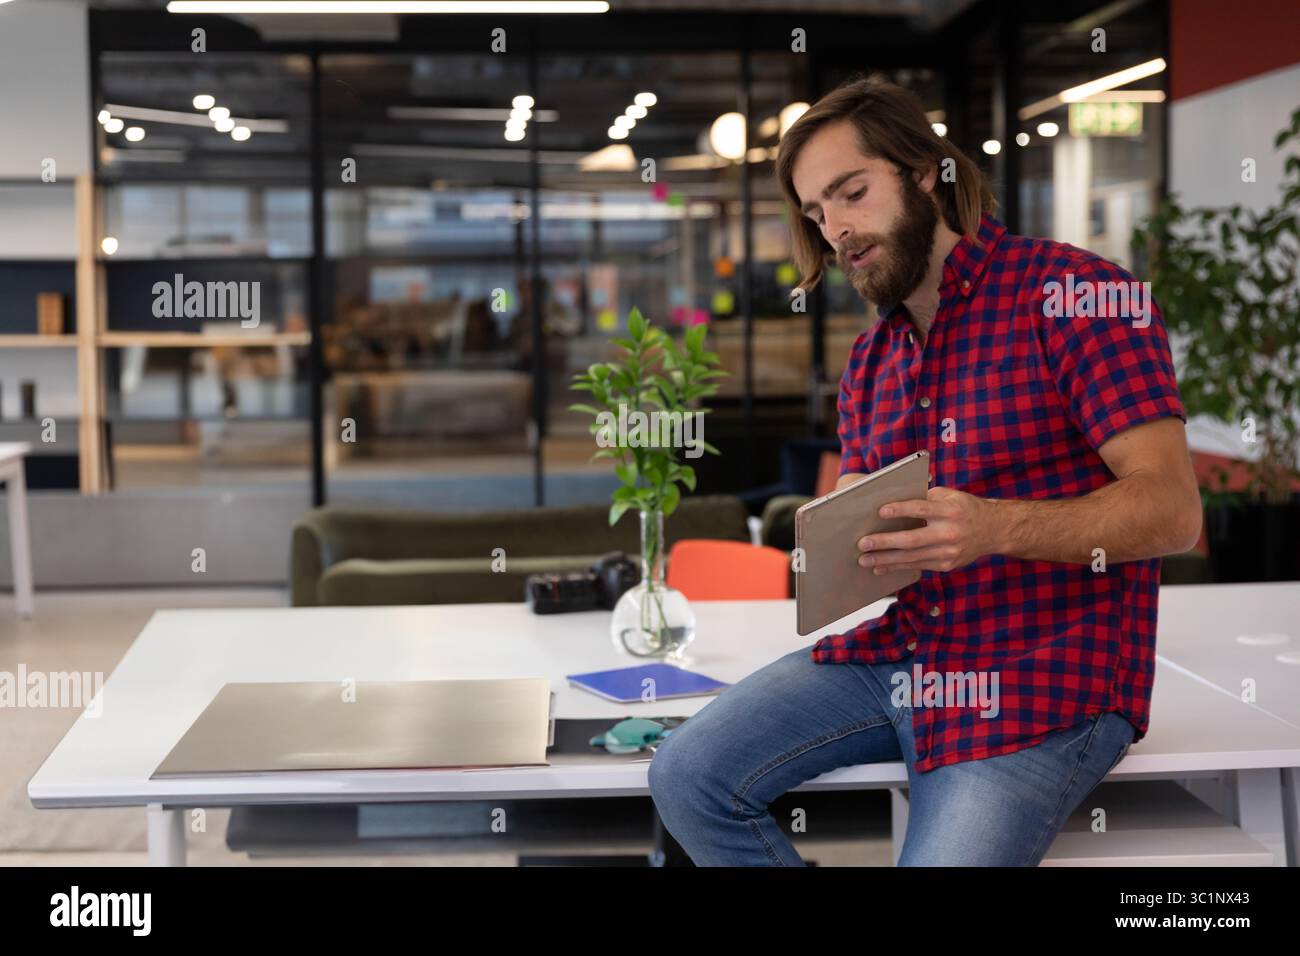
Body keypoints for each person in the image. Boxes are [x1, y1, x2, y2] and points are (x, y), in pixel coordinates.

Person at [647, 75, 1202, 866]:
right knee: (687, 775)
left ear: (921, 172)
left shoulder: (1077, 297)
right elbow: (879, 534)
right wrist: (845, 537)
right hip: (904, 655)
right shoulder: (875, 358)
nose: (836, 228)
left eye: (851, 193)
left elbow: (1172, 511)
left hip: (1042, 679)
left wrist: (994, 527)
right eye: (817, 212)